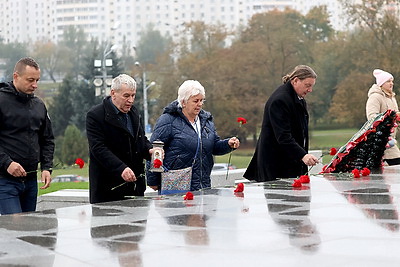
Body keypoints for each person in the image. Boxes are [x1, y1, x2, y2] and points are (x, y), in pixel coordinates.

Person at [146, 80, 240, 192]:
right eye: (196, 101)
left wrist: (228, 144)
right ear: (184, 102)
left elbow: (213, 147)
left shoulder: (207, 121)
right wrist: (153, 180)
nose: (200, 104)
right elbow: (154, 150)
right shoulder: (167, 120)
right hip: (175, 187)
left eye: (201, 100)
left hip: (203, 185)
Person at [86, 74, 158, 204]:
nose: (130, 100)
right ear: (113, 93)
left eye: (133, 95)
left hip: (135, 188)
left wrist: (150, 151)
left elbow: (140, 141)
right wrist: (121, 168)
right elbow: (98, 148)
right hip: (108, 190)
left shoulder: (134, 113)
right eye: (126, 96)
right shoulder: (95, 115)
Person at [244, 65, 319, 182]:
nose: (310, 90)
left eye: (312, 86)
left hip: (290, 162)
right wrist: (303, 155)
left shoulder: (297, 98)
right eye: (307, 85)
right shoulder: (280, 100)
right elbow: (283, 136)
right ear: (295, 81)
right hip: (276, 166)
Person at [0, 57, 55, 215]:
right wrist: (7, 163)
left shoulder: (39, 105)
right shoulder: (1, 101)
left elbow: (47, 139)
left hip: (31, 181)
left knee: (28, 232)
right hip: (5, 180)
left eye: (37, 80)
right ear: (16, 76)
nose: (35, 85)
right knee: (15, 229)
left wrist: (46, 167)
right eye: (30, 80)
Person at [366, 69, 400, 165]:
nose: (391, 84)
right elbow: (372, 117)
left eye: (392, 81)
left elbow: (395, 114)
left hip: (391, 141)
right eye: (388, 81)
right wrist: (389, 118)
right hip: (379, 140)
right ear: (381, 83)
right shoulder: (375, 97)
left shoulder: (391, 97)